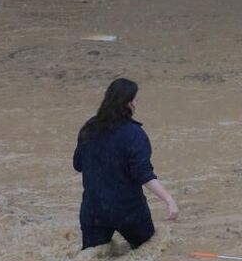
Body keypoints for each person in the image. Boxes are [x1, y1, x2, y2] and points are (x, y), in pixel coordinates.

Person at [73, 78, 178, 251]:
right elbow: (143, 174)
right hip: (128, 211)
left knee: (93, 257)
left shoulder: (89, 127)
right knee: (148, 249)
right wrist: (169, 199)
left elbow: (78, 164)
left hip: (93, 211)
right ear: (129, 103)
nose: (137, 103)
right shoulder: (135, 134)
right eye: (136, 100)